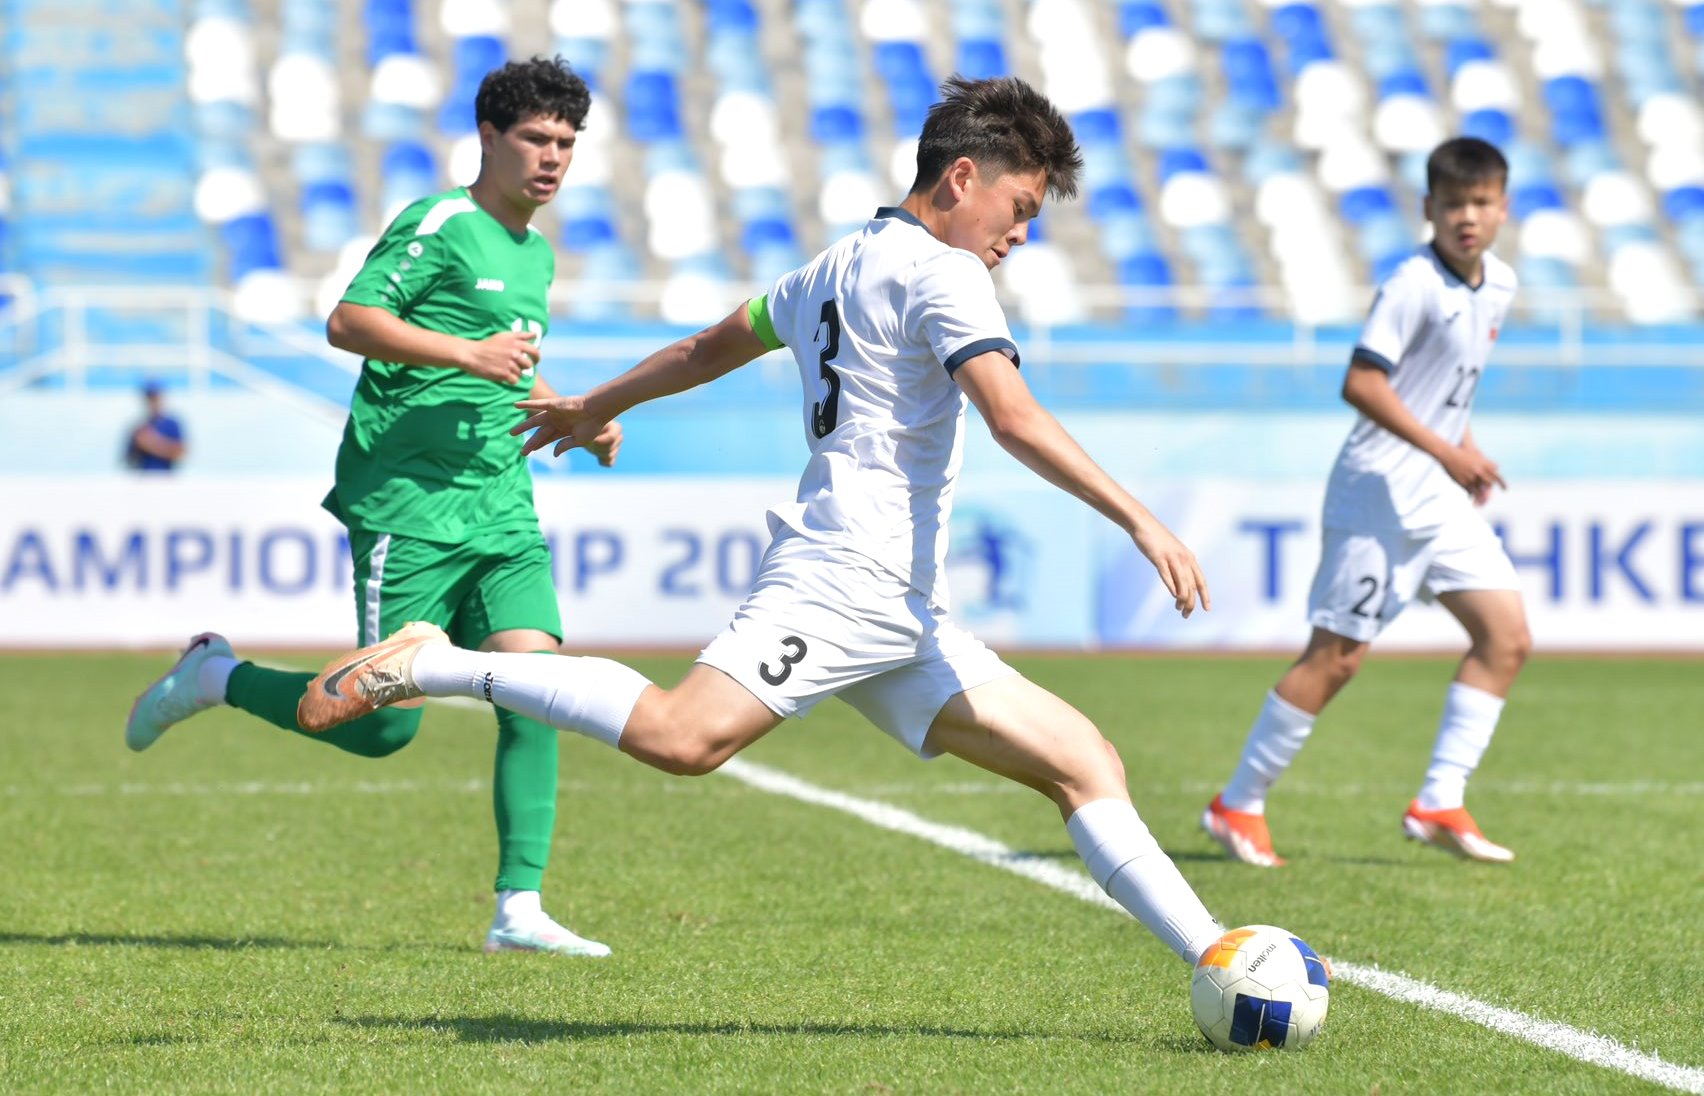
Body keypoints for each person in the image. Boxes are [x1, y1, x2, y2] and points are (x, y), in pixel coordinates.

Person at [298, 76, 1234, 968]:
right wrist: (1141, 520)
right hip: (844, 581)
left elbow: (708, 347)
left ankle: (1221, 960)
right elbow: (1013, 416)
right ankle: (432, 663)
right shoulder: (946, 274)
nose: (1022, 234)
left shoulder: (835, 264)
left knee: (1084, 761)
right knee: (682, 738)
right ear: (962, 177)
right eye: (1021, 206)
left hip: (903, 608)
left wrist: (596, 403)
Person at [125, 57, 622, 956]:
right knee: (383, 725)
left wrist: (572, 415)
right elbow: (349, 321)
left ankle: (519, 910)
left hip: (500, 504)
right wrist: (464, 354)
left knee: (537, 692)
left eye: (565, 142)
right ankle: (215, 678)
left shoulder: (538, 252)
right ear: (488, 137)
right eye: (535, 139)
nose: (553, 157)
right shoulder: (441, 222)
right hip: (409, 503)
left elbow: (508, 365)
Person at [1201, 137, 1531, 867]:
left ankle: (1439, 799)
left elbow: (1444, 390)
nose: (1467, 217)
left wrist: (1465, 450)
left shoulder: (1499, 285)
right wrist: (1447, 451)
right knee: (1337, 659)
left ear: (1503, 208)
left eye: (1480, 203)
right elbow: (1362, 382)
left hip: (1437, 495)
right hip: (1377, 493)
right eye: (1453, 204)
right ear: (1429, 209)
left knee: (1505, 637)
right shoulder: (1413, 284)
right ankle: (1238, 802)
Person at [125, 382, 186, 471]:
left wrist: (152, 444)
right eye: (150, 398)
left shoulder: (172, 424)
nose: (153, 402)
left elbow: (180, 453)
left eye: (155, 398)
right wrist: (138, 447)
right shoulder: (139, 426)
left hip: (166, 476)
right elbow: (129, 459)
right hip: (144, 477)